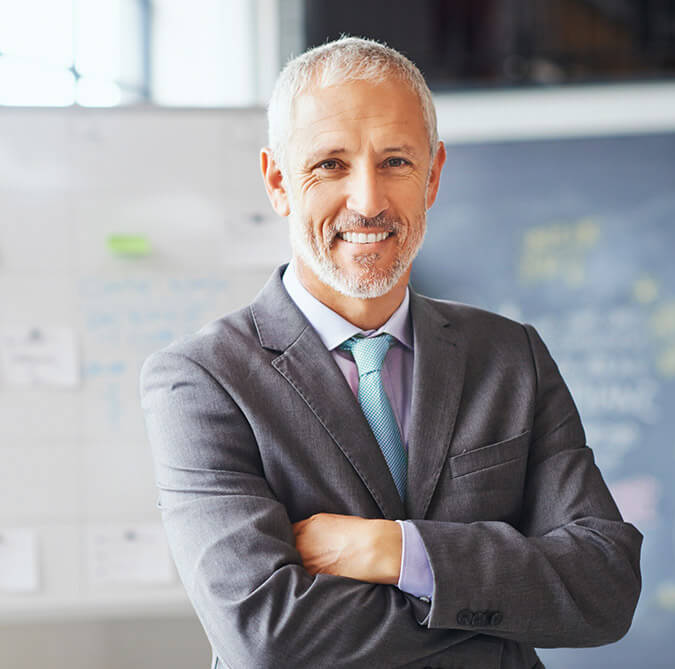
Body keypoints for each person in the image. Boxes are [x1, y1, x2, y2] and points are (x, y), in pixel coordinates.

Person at [140, 36, 642, 669]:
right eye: (330, 164)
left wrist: (394, 551)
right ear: (278, 182)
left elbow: (605, 587)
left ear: (432, 176)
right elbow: (268, 634)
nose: (369, 200)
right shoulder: (203, 379)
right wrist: (499, 612)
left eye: (396, 162)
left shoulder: (511, 356)